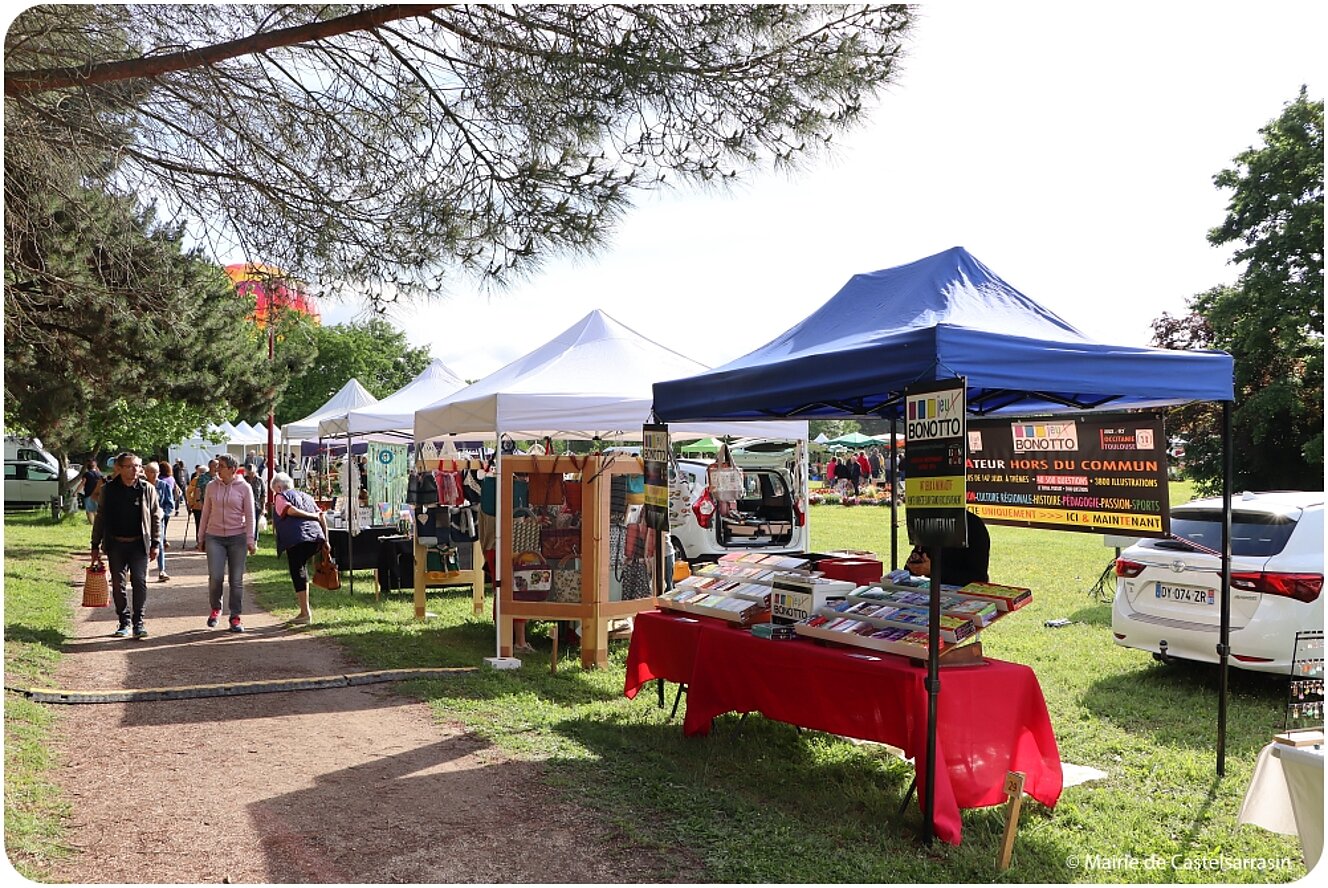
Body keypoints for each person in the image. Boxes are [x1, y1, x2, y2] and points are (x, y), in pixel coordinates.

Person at [90, 452, 161, 639]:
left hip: (139, 544)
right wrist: (95, 545)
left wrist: (156, 542)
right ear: (119, 468)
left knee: (139, 581)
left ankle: (139, 623)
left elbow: (156, 516)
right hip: (116, 544)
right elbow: (100, 518)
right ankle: (124, 621)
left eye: (137, 466)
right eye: (129, 466)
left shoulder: (146, 489)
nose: (134, 470)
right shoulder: (108, 489)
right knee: (118, 584)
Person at [196, 454, 255, 632]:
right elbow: (205, 512)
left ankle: (235, 617)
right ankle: (216, 609)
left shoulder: (244, 487)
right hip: (214, 537)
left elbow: (250, 515)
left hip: (238, 537)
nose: (217, 469)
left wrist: (250, 539)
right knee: (216, 577)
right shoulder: (211, 486)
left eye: (221, 466)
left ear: (232, 469)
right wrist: (201, 537)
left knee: (236, 580)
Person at [269, 472, 327, 626]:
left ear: (279, 487)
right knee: (301, 568)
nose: (275, 494)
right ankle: (304, 611)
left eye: (274, 490)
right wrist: (326, 540)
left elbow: (290, 510)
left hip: (297, 538)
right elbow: (321, 516)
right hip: (316, 537)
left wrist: (311, 516)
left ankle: (305, 612)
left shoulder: (280, 496)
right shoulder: (306, 496)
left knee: (298, 571)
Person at [905, 510, 991, 587]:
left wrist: (934, 571)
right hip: (933, 590)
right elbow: (917, 558)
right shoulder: (928, 521)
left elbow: (978, 577)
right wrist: (915, 565)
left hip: (963, 592)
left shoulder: (973, 525)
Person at [144, 461, 175, 580]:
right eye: (152, 472)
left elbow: (170, 504)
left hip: (158, 520)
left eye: (156, 472)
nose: (154, 474)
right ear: (146, 473)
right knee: (144, 543)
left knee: (159, 543)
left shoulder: (164, 485)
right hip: (144, 520)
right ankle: (144, 570)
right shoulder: (142, 485)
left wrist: (163, 513)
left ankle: (162, 571)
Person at [80, 459, 103, 524]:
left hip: (89, 494)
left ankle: (92, 523)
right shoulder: (99, 474)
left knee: (89, 511)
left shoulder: (87, 474)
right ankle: (97, 523)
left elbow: (82, 483)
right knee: (96, 510)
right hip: (98, 494)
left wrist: (76, 492)